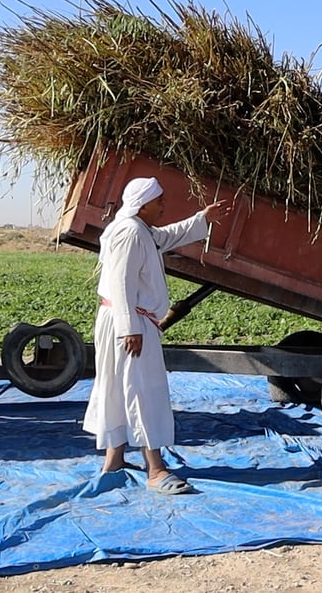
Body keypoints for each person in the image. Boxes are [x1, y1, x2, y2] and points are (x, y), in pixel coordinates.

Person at [83, 176, 232, 494]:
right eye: (159, 201)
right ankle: (155, 470)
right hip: (129, 324)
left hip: (125, 321)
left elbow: (166, 237)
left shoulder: (139, 230)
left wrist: (202, 219)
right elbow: (121, 283)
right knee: (143, 391)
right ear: (143, 205)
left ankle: (114, 461)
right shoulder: (130, 233)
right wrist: (130, 329)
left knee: (120, 388)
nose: (164, 205)